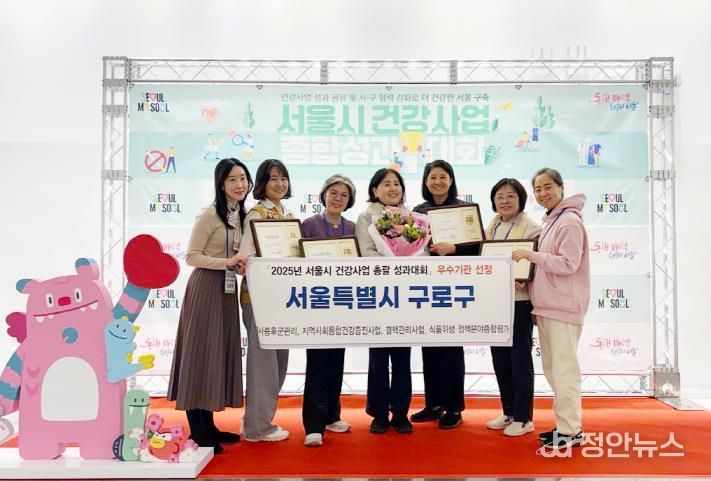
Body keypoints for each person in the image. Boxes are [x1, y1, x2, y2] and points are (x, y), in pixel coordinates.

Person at [167, 158, 253, 455]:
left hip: (226, 289)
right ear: (221, 184)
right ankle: (198, 430)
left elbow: (236, 255)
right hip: (205, 288)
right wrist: (227, 262)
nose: (240, 184)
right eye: (232, 179)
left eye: (243, 178)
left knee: (215, 354)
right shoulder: (208, 215)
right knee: (200, 354)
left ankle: (210, 426)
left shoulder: (242, 216)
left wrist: (238, 266)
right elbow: (192, 256)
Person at [512, 167, 590, 450]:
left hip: (562, 307)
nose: (543, 193)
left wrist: (531, 256)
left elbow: (568, 263)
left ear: (561, 187)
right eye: (538, 189)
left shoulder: (568, 221)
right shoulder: (553, 220)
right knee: (555, 371)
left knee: (564, 370)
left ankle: (571, 430)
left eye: (548, 187)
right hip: (548, 307)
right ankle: (565, 426)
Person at [409, 159, 478, 430]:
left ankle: (454, 407)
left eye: (442, 177)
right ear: (425, 182)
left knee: (451, 348)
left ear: (451, 180)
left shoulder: (464, 210)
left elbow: (478, 248)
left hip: (454, 287)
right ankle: (434, 404)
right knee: (429, 347)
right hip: (426, 287)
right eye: (432, 177)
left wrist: (455, 249)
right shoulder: (418, 211)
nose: (437, 182)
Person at [237, 158, 294, 442]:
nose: (279, 184)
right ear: (262, 183)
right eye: (273, 178)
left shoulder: (287, 214)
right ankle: (256, 428)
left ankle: (258, 417)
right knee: (263, 364)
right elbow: (245, 258)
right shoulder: (256, 214)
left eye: (283, 178)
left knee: (279, 362)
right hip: (259, 297)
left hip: (283, 298)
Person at [301, 174, 358, 447]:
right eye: (333, 193)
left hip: (342, 303)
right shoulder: (309, 225)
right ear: (323, 195)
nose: (338, 198)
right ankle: (313, 425)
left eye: (344, 195)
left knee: (336, 361)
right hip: (317, 303)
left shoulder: (353, 227)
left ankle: (332, 416)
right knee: (317, 364)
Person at [355, 168, 414, 435]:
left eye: (397, 184)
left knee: (403, 357)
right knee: (378, 358)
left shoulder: (411, 217)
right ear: (375, 190)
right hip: (378, 294)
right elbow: (365, 252)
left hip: (405, 295)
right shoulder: (366, 217)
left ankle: (401, 413)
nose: (393, 188)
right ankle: (378, 413)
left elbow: (421, 251)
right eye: (386, 184)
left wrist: (409, 260)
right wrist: (393, 260)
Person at [484, 178, 541, 437]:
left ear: (521, 199)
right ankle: (508, 411)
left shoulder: (531, 227)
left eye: (510, 196)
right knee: (500, 359)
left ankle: (523, 417)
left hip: (519, 301)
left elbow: (535, 263)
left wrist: (524, 276)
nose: (504, 201)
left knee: (519, 359)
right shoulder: (493, 225)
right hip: (495, 300)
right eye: (499, 197)